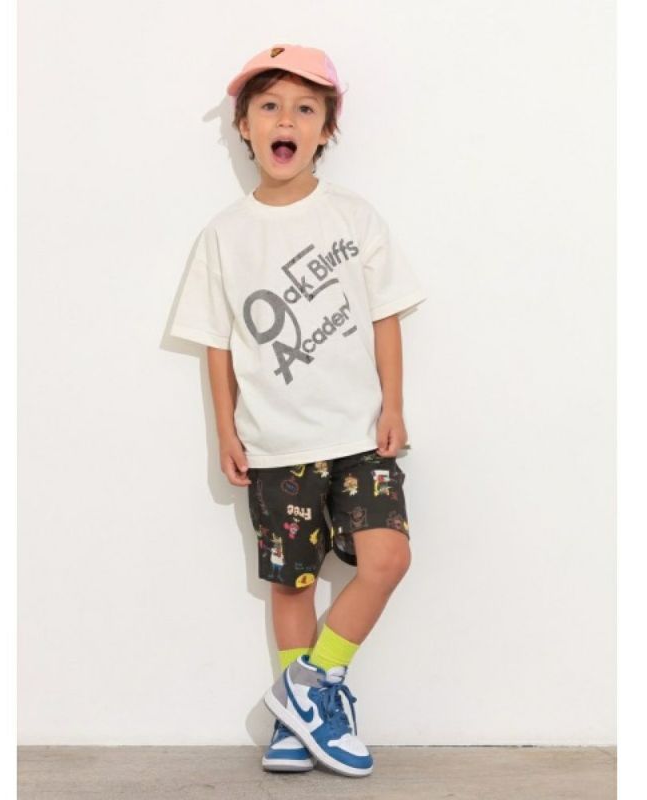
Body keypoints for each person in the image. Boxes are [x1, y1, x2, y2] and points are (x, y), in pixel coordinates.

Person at [169, 43, 428, 778]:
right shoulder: (224, 235)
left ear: (325, 129)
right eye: (270, 106)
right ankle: (301, 721)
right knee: (295, 581)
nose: (286, 119)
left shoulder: (354, 217)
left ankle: (308, 690)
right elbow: (217, 343)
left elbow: (384, 316)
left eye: (305, 108)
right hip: (276, 442)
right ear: (245, 127)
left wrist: (394, 405)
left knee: (388, 558)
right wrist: (225, 429)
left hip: (360, 434)